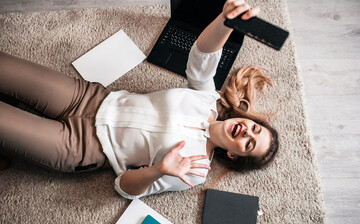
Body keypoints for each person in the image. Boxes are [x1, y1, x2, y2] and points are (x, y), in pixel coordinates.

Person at [0, 0, 278, 199]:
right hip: (88, 97)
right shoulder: (207, 99)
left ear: (234, 154)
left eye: (248, 144)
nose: (247, 132)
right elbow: (203, 56)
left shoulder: (194, 171)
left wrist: (159, 170)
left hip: (80, 147)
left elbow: (123, 187)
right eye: (254, 128)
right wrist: (225, 21)